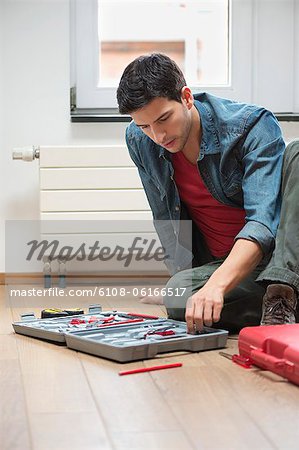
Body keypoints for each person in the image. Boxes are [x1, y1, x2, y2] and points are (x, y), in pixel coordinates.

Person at [116, 53, 299, 333]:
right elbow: (165, 218)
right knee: (178, 297)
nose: (158, 136)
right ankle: (275, 307)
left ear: (186, 98)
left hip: (276, 259)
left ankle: (283, 294)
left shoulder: (251, 127)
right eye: (145, 126)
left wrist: (214, 286)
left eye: (164, 118)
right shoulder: (139, 139)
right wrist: (184, 286)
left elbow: (262, 224)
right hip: (224, 266)